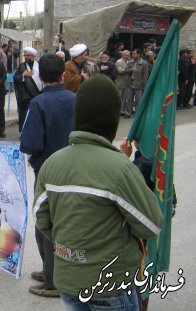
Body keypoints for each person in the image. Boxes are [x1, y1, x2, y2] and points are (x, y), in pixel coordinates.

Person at [34, 75, 163, 310]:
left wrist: (70, 247)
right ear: (113, 120)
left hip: (69, 282)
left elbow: (41, 217)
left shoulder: (51, 164)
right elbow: (152, 224)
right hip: (110, 285)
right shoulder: (120, 169)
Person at [20, 53, 76, 298]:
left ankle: (53, 281)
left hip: (47, 172)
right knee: (64, 223)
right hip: (74, 169)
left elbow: (29, 143)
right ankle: (50, 270)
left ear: (40, 76)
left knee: (45, 223)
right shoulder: (76, 99)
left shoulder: (38, 104)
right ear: (63, 75)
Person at [13, 47, 42, 132]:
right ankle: (24, 133)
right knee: (25, 115)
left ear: (33, 56)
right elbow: (15, 78)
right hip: (25, 96)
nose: (26, 57)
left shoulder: (39, 66)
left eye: (28, 55)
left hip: (37, 95)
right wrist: (23, 75)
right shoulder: (22, 66)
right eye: (25, 55)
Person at [115, 50, 134, 118]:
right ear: (122, 55)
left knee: (124, 99)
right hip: (120, 83)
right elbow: (120, 71)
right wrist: (131, 70)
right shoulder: (119, 61)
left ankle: (121, 111)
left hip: (127, 83)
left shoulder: (128, 61)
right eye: (126, 55)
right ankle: (117, 112)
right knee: (119, 99)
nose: (127, 56)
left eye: (128, 55)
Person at [131, 49, 149, 113]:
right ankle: (128, 112)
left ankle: (137, 112)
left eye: (134, 53)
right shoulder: (131, 62)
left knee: (138, 100)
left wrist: (144, 85)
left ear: (138, 54)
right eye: (132, 53)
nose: (133, 55)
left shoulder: (144, 63)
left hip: (139, 83)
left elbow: (145, 75)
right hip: (130, 83)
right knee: (130, 99)